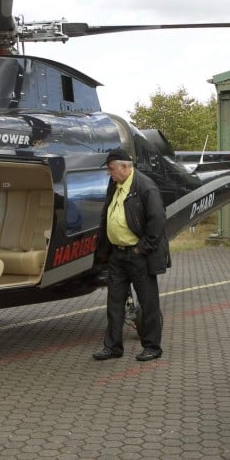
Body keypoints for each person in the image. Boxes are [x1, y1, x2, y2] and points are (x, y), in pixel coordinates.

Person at [93, 148, 170, 361]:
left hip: (139, 255)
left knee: (148, 303)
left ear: (125, 167)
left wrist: (141, 248)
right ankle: (113, 347)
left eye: (111, 169)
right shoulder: (116, 185)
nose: (110, 173)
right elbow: (107, 215)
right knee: (114, 302)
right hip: (117, 255)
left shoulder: (145, 187)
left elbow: (158, 221)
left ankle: (152, 347)